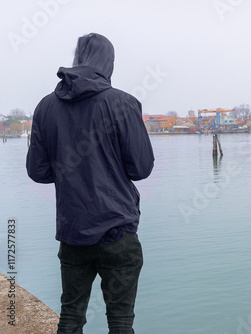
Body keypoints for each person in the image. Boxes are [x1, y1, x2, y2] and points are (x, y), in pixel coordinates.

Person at [26, 33, 154, 333]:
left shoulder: (45, 107)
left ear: (77, 58)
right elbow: (141, 168)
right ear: (108, 62)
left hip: (72, 232)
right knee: (121, 322)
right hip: (117, 232)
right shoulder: (122, 103)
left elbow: (38, 172)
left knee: (71, 317)